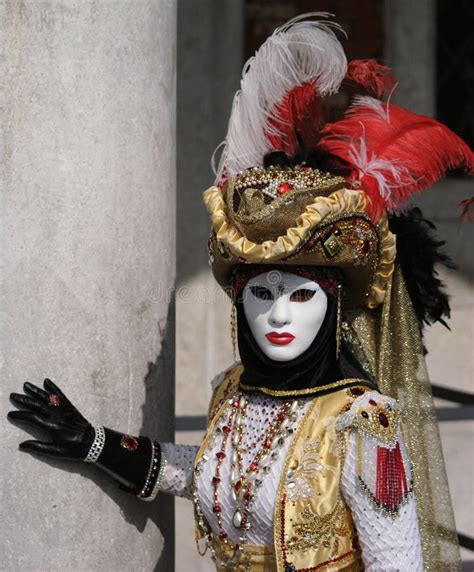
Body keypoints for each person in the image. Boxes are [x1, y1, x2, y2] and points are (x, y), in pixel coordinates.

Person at [8, 13, 472, 572]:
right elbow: (206, 470)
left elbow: (398, 564)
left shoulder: (363, 425)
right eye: (261, 294)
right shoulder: (235, 393)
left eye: (301, 297)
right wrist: (94, 443)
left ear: (332, 307)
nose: (278, 313)